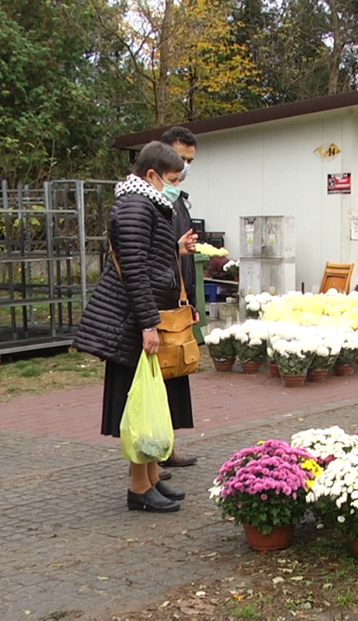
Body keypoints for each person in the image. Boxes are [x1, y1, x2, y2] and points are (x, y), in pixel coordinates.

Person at [73, 141, 199, 513]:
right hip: (132, 322)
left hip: (140, 318)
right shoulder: (135, 205)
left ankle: (152, 480)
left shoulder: (146, 203)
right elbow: (135, 271)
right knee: (138, 407)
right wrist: (148, 324)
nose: (175, 186)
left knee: (148, 403)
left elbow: (148, 256)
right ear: (150, 175)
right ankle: (138, 488)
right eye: (173, 179)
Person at [158, 126, 200, 471]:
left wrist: (192, 301)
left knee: (175, 377)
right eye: (180, 159)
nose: (185, 167)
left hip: (179, 300)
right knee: (157, 382)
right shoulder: (149, 203)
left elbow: (184, 256)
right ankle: (151, 457)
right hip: (159, 303)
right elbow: (148, 254)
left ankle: (166, 447)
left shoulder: (179, 201)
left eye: (189, 161)